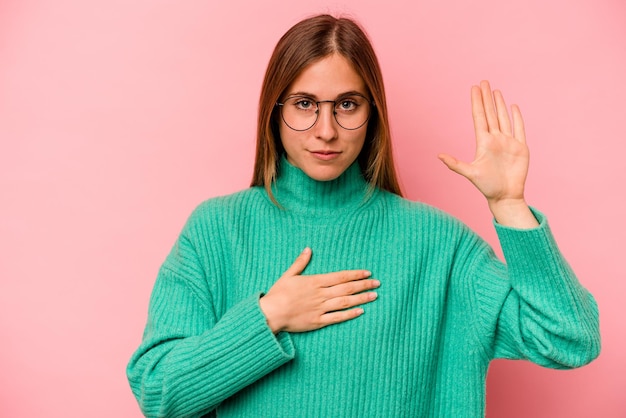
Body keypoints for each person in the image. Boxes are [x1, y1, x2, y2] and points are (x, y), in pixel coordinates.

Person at [127, 14, 600, 418]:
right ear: (274, 111)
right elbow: (158, 391)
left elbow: (569, 339)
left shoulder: (438, 243)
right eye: (305, 104)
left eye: (347, 105)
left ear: (373, 113)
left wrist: (509, 206)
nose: (326, 130)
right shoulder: (217, 230)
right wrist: (268, 316)